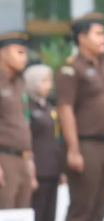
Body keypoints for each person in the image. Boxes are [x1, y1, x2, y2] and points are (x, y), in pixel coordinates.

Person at [55, 12, 104, 221]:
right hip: (86, 146)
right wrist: (74, 150)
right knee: (81, 209)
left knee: (99, 211)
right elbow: (65, 109)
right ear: (82, 37)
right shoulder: (71, 69)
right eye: (98, 33)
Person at [0, 30, 36, 210]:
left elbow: (24, 122)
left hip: (23, 159)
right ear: (3, 53)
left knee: (22, 213)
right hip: (4, 159)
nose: (25, 57)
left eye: (25, 53)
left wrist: (29, 158)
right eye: (19, 52)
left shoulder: (21, 81)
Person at [24, 63, 63, 221]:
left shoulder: (49, 107)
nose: (48, 85)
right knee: (37, 214)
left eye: (49, 81)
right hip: (37, 171)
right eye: (44, 81)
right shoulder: (26, 107)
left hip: (52, 169)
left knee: (50, 214)